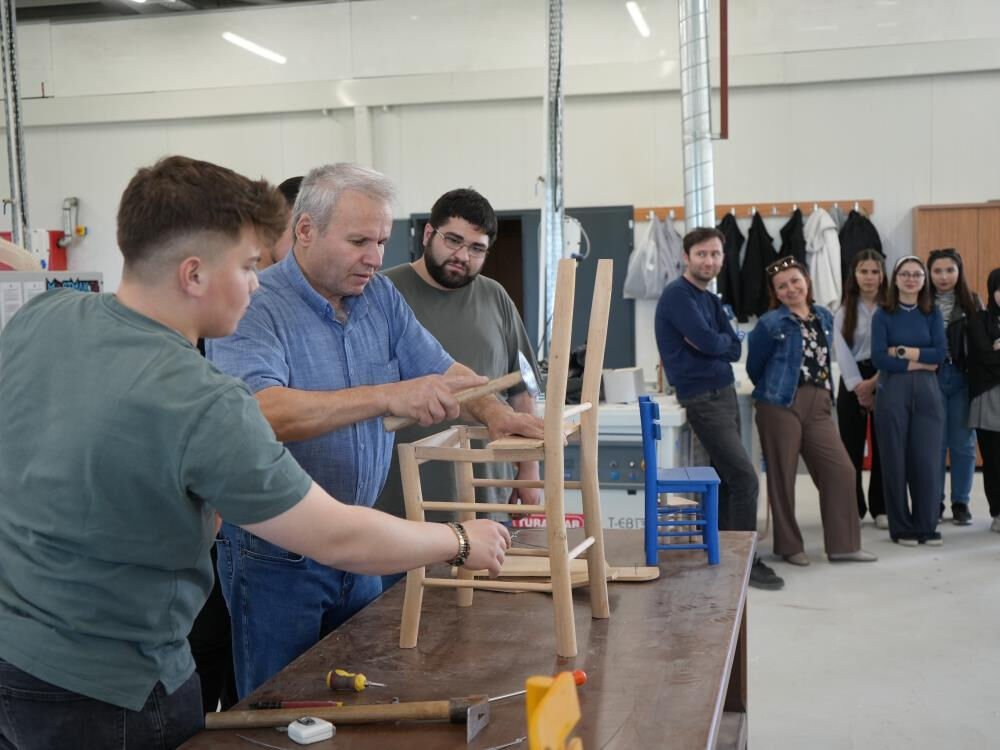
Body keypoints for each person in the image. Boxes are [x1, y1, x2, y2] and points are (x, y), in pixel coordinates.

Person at [0, 155, 512, 750]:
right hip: (118, 689)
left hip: (14, 661)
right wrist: (459, 540)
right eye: (247, 265)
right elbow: (335, 537)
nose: (256, 281)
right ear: (194, 274)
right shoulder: (206, 401)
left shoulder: (41, 317)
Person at [206, 163, 543, 699]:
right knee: (280, 707)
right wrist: (387, 395)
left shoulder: (379, 298)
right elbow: (261, 413)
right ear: (305, 229)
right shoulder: (255, 304)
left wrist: (493, 410)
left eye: (382, 241)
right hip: (277, 556)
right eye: (359, 241)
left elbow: (442, 369)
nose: (375, 257)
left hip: (360, 541)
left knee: (360, 692)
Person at [377, 188, 541, 536]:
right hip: (400, 494)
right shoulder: (384, 292)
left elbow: (520, 389)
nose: (462, 256)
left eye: (476, 248)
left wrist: (528, 470)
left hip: (485, 490)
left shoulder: (496, 297)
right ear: (428, 234)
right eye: (453, 240)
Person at [655, 226, 785, 590]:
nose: (709, 261)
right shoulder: (678, 295)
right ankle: (746, 559)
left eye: (715, 254)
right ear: (686, 257)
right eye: (701, 254)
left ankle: (727, 555)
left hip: (723, 393)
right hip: (702, 397)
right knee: (745, 479)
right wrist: (719, 343)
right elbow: (714, 342)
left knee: (728, 479)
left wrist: (719, 343)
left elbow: (732, 347)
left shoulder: (709, 300)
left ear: (723, 258)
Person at [746, 256, 876, 566]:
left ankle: (844, 545)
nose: (790, 289)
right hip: (779, 404)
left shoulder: (824, 316)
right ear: (775, 293)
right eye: (782, 286)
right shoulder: (769, 323)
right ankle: (789, 546)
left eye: (795, 281)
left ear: (807, 281)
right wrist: (776, 391)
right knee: (783, 476)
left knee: (841, 470)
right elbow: (755, 367)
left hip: (819, 403)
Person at [871, 256, 946, 546]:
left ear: (924, 280)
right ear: (896, 278)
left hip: (928, 393)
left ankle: (927, 525)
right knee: (894, 459)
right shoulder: (883, 314)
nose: (911, 279)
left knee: (927, 460)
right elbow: (879, 358)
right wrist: (921, 361)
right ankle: (901, 526)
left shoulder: (932, 313)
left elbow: (939, 355)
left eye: (917, 274)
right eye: (905, 274)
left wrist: (901, 352)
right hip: (892, 391)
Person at [927, 247, 982, 525]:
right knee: (934, 443)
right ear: (929, 273)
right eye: (937, 270)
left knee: (962, 443)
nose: (944, 276)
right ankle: (934, 501)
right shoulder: (922, 301)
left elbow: (982, 340)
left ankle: (961, 502)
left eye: (950, 270)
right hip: (931, 377)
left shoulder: (972, 301)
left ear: (959, 272)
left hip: (961, 376)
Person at [832, 249, 887, 528]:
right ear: (854, 275)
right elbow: (841, 352)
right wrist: (859, 387)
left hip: (884, 377)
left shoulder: (890, 307)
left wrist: (875, 381)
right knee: (850, 448)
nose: (869, 277)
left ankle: (881, 507)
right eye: (863, 271)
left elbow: (893, 348)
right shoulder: (844, 310)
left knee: (883, 447)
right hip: (852, 380)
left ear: (883, 275)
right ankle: (853, 506)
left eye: (875, 271)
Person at [966, 268, 1000, 533]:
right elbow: (985, 358)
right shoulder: (979, 319)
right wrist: (993, 352)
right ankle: (998, 512)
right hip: (989, 397)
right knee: (994, 459)